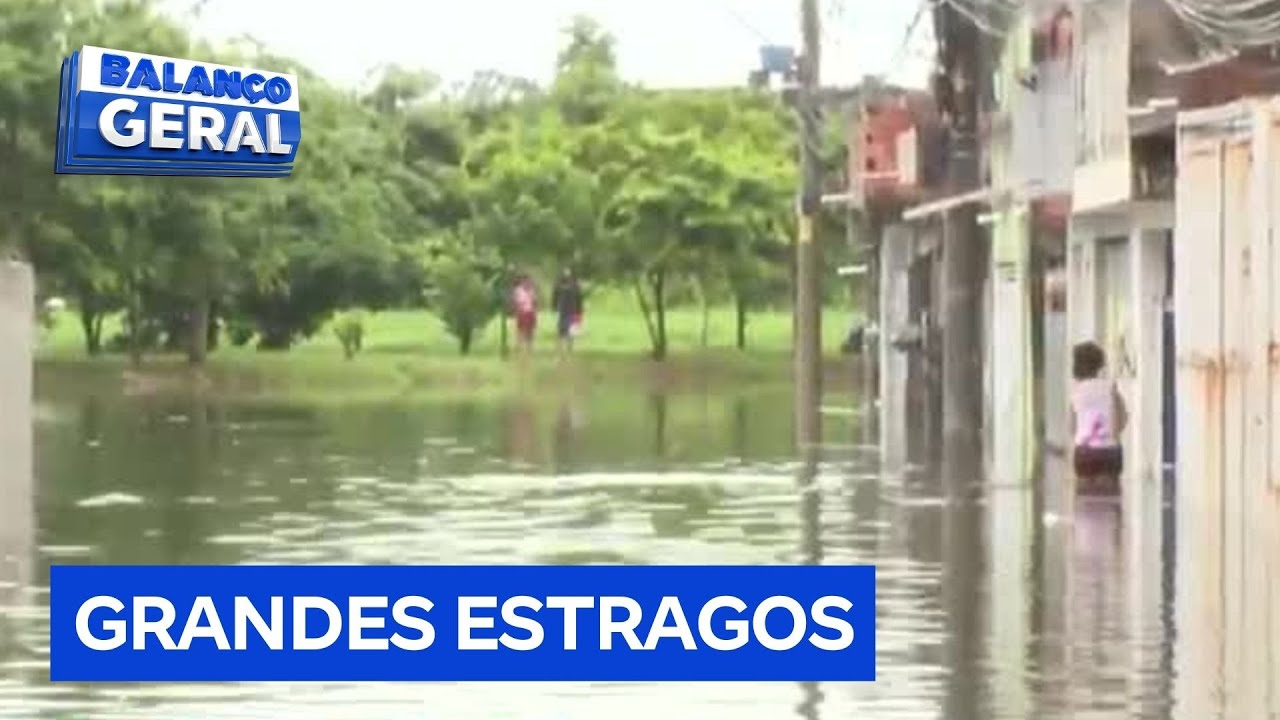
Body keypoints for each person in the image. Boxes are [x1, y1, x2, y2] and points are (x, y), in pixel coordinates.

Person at [1070, 340, 1127, 495]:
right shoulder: (1110, 388)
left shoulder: (1075, 392)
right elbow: (1122, 418)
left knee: (1084, 500)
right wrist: (1113, 436)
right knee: (1111, 499)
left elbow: (1072, 425)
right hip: (1109, 450)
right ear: (1100, 364)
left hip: (1084, 451)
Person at [551, 269, 583, 354]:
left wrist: (579, 311)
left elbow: (579, 299)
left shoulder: (575, 286)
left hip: (572, 310)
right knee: (561, 330)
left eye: (568, 275)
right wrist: (554, 307)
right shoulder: (559, 285)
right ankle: (560, 347)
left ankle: (570, 348)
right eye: (565, 275)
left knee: (571, 331)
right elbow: (555, 297)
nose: (567, 276)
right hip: (562, 311)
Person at [511, 273, 537, 355]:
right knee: (520, 330)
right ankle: (519, 346)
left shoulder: (531, 290)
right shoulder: (518, 290)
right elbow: (515, 301)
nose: (527, 283)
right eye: (525, 281)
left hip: (530, 311)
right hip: (522, 312)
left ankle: (529, 347)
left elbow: (534, 301)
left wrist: (534, 309)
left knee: (530, 330)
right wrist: (517, 309)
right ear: (522, 281)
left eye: (528, 281)